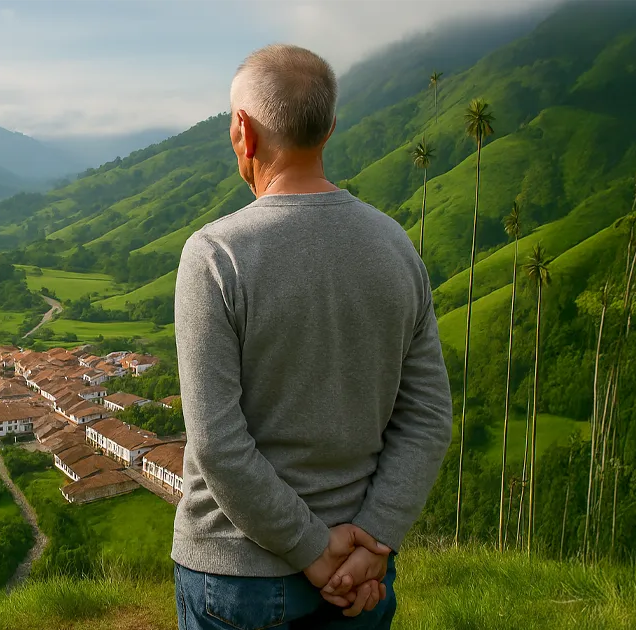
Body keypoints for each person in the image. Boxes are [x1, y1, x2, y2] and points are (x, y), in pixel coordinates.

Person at [172, 43, 453, 630]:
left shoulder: (215, 255)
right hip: (362, 575)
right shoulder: (396, 248)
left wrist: (311, 551)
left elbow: (218, 444)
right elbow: (427, 416)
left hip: (237, 573)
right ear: (328, 128)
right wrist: (373, 538)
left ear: (242, 133)